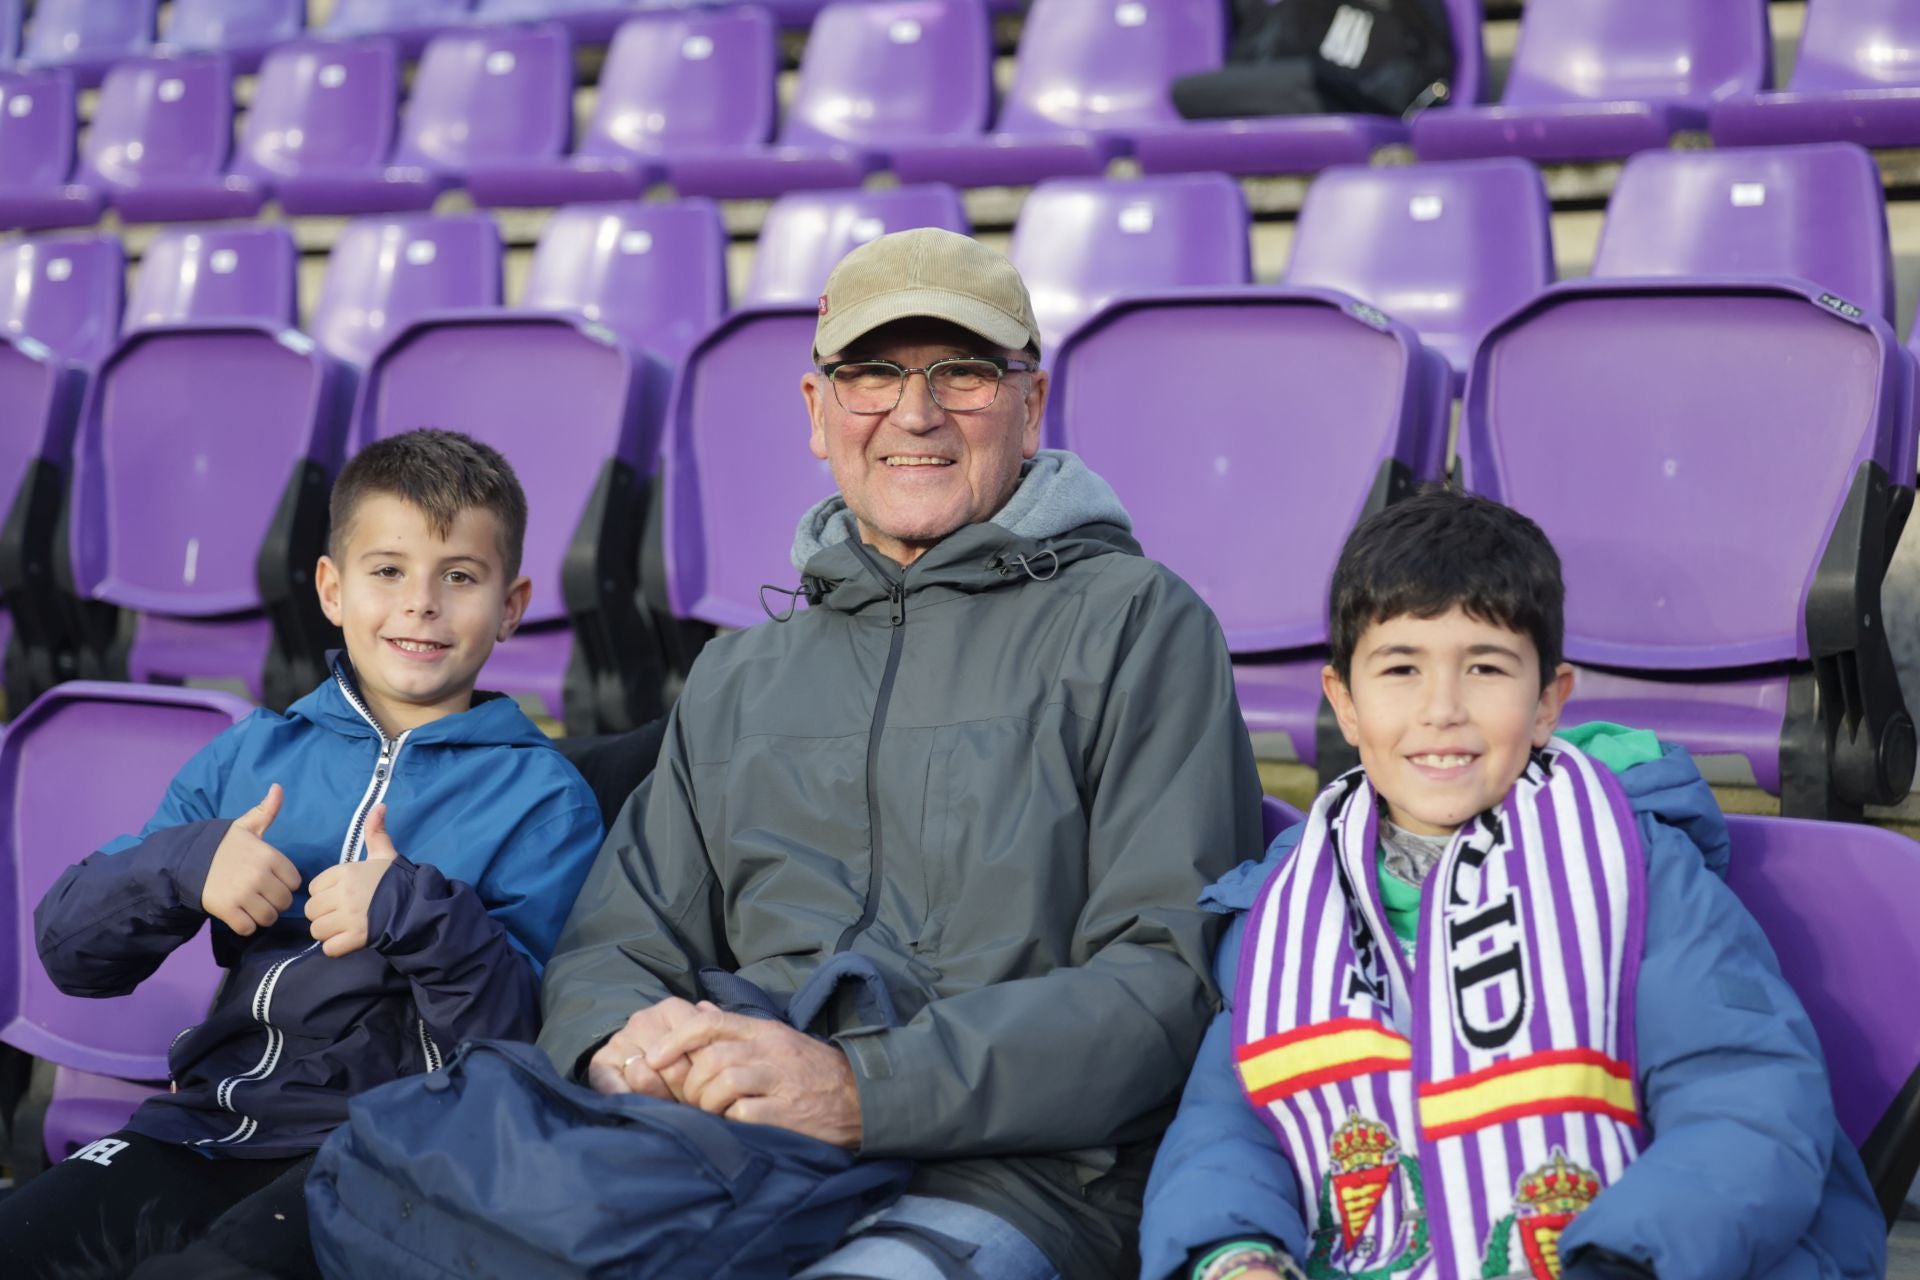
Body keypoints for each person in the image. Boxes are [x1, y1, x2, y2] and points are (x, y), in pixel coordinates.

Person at [536, 227, 1265, 1280]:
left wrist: (860, 1088)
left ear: (1030, 400)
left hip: (1019, 1174)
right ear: (818, 411)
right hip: (726, 1156)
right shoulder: (742, 673)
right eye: (872, 374)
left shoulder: (1138, 623)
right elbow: (614, 942)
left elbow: (1165, 982)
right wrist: (620, 1043)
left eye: (961, 371)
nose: (913, 412)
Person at [1137, 487, 1886, 1280]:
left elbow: (1746, 1101)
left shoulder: (1638, 874)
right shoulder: (1287, 909)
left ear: (1547, 703)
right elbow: (1231, 1125)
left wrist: (1619, 1264)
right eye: (1400, 668)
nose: (1442, 710)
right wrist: (1233, 1253)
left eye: (1486, 668)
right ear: (1345, 706)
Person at [1, 430, 605, 1278]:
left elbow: (518, 1052)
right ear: (331, 587)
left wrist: (414, 914)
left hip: (391, 1157)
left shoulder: (544, 801)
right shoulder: (252, 755)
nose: (421, 603)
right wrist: (185, 867)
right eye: (387, 570)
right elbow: (73, 953)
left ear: (512, 606)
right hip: (206, 1126)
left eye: (460, 576)